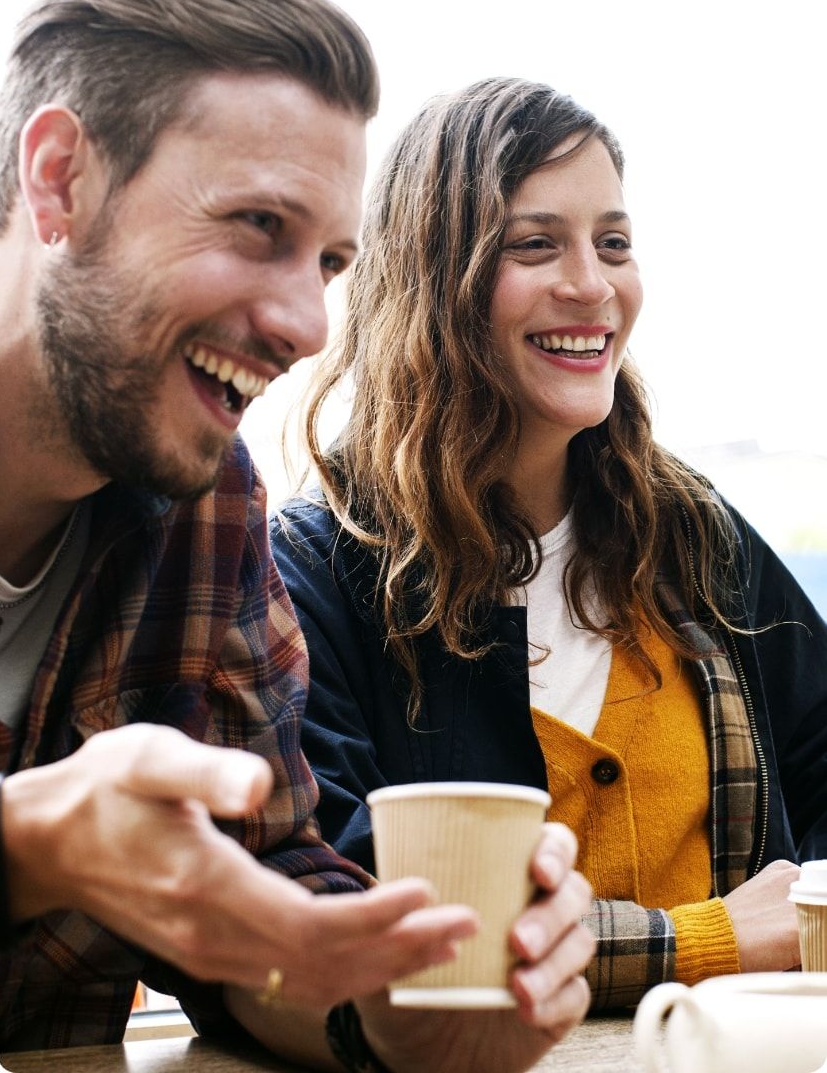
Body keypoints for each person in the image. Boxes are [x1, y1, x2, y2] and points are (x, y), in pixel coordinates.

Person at [0, 0, 519, 1064]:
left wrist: (404, 996)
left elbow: (261, 893)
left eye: (328, 262)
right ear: (58, 182)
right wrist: (31, 841)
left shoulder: (204, 496)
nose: (306, 325)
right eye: (256, 226)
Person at [272, 76, 827, 1027]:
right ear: (430, 278)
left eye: (613, 242)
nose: (594, 283)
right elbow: (344, 901)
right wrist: (711, 941)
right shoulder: (316, 567)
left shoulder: (692, 531)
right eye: (537, 245)